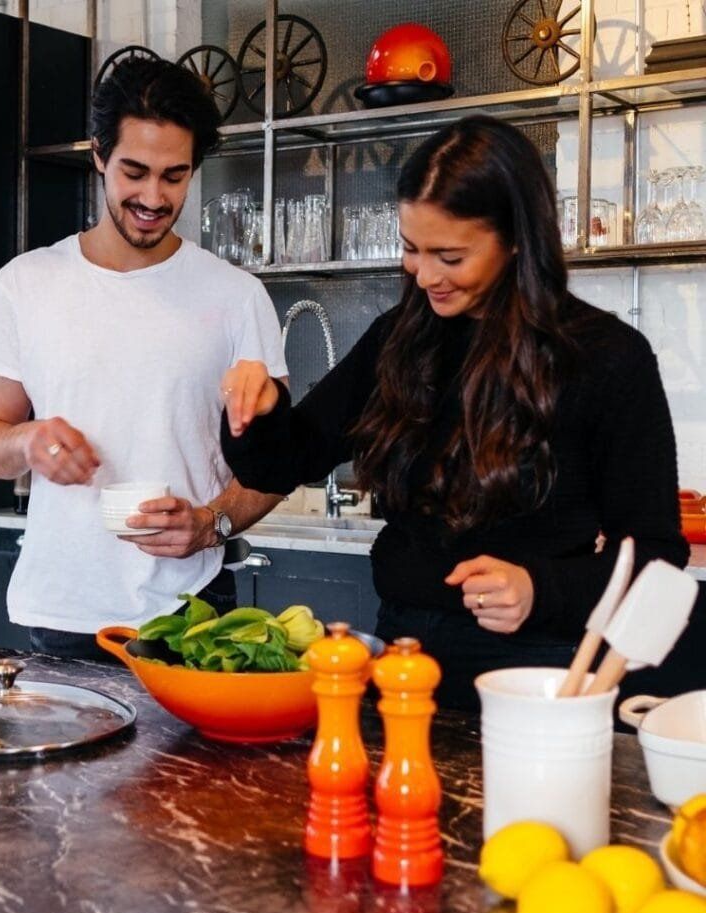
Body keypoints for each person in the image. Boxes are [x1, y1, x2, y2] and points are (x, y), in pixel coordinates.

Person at [220, 115, 689, 710]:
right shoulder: (399, 339)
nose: (426, 275)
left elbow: (655, 556)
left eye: (450, 255)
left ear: (517, 239)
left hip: (537, 671)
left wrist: (540, 588)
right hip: (403, 662)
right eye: (412, 250)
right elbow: (285, 460)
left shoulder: (606, 359)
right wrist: (257, 410)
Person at [0, 57, 286, 661]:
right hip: (60, 611)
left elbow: (279, 458)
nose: (153, 197)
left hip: (189, 613)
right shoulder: (26, 283)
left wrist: (213, 522)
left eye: (175, 176)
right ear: (98, 155)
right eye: (134, 172)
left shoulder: (236, 295)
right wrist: (28, 442)